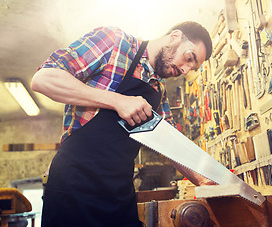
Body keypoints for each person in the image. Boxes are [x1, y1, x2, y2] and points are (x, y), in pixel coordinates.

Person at [31, 21, 214, 227]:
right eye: (189, 58)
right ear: (175, 37)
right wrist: (117, 101)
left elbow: (171, 144)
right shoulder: (114, 42)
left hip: (118, 194)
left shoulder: (158, 90)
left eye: (192, 68)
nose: (185, 69)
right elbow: (44, 79)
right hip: (73, 187)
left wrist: (206, 181)